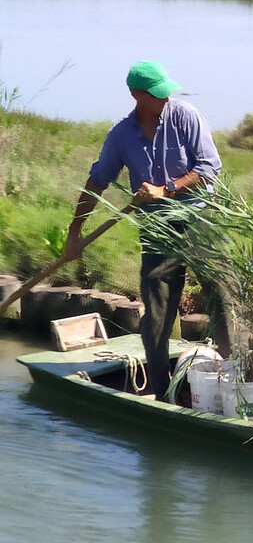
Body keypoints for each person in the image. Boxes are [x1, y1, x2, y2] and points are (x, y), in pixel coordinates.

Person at [64, 60, 222, 400]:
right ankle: (161, 386)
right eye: (156, 94)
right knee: (157, 306)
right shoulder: (121, 135)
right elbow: (97, 182)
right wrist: (74, 232)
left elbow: (209, 168)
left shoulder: (185, 116)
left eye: (166, 92)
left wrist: (167, 189)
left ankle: (239, 374)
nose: (165, 98)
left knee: (223, 293)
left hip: (198, 216)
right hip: (156, 226)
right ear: (137, 94)